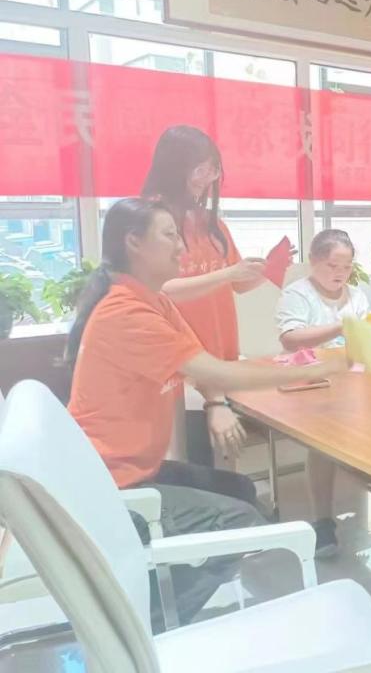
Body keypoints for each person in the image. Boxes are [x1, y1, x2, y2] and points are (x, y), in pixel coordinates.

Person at [67, 198, 348, 626]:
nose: (181, 247)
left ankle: (156, 598)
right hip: (110, 485)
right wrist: (319, 367)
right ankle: (146, 625)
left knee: (240, 491)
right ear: (133, 243)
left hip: (133, 469)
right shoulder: (126, 313)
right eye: (169, 235)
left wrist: (216, 403)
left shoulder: (155, 302)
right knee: (240, 521)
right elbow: (219, 371)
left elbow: (201, 366)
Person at [141, 125, 268, 467]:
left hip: (220, 357)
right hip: (179, 365)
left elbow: (237, 285)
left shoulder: (211, 223)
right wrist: (228, 273)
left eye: (213, 169)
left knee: (222, 458)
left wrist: (265, 270)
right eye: (200, 169)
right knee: (191, 458)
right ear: (174, 166)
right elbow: (160, 290)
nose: (208, 178)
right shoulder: (151, 219)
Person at [276, 229, 369, 556]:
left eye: (346, 267)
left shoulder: (356, 295)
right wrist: (339, 328)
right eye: (332, 266)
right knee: (323, 444)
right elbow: (289, 338)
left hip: (352, 380)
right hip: (311, 383)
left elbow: (362, 338)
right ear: (313, 261)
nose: (340, 273)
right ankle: (322, 520)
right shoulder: (297, 293)